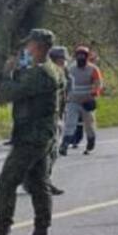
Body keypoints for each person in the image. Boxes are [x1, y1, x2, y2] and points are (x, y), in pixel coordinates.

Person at [0, 28, 63, 235]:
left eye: (29, 44)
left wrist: (7, 73)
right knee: (39, 184)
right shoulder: (51, 69)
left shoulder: (41, 73)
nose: (26, 48)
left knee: (6, 182)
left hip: (31, 136)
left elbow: (9, 93)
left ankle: (2, 233)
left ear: (38, 46)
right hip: (41, 134)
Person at [61, 45, 103, 156]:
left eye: (83, 55)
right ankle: (64, 145)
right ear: (76, 56)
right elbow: (65, 83)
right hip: (73, 101)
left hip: (87, 102)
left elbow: (98, 84)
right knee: (70, 123)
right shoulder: (70, 69)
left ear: (87, 56)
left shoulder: (93, 69)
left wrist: (94, 94)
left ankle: (91, 141)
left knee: (89, 125)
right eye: (79, 55)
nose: (81, 58)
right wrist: (64, 97)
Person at [46, 45, 69, 195]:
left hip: (56, 118)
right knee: (50, 152)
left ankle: (43, 181)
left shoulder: (61, 73)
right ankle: (43, 182)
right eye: (63, 59)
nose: (65, 62)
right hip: (47, 121)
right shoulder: (49, 75)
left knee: (51, 152)